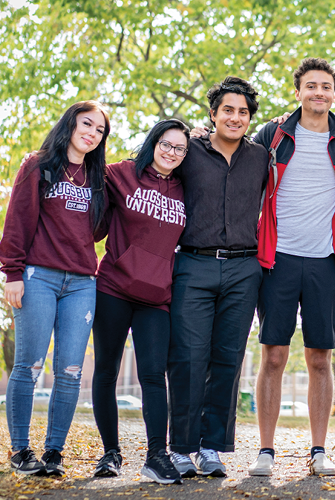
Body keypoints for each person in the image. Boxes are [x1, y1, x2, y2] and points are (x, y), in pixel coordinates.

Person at [246, 57, 335, 477]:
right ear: (298, 91)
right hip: (277, 258)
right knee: (274, 355)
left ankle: (319, 449)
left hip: (327, 261)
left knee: (320, 357)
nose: (319, 93)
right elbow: (237, 150)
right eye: (311, 86)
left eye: (326, 87)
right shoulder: (275, 133)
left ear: (333, 92)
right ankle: (266, 450)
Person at [0, 100, 110, 476]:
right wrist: (12, 272)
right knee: (29, 365)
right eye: (86, 123)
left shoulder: (98, 179)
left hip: (81, 283)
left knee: (71, 371)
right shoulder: (39, 165)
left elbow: (95, 230)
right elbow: (17, 220)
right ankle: (20, 451)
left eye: (99, 130)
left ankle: (54, 453)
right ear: (70, 124)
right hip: (38, 277)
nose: (92, 133)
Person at [166, 77, 267, 478]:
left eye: (243, 112)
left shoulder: (261, 155)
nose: (235, 117)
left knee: (228, 360)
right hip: (194, 263)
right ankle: (180, 448)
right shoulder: (188, 150)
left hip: (244, 268)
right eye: (228, 109)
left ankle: (211, 448)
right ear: (213, 114)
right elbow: (148, 168)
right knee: (189, 358)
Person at [90, 119, 190, 484]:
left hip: (157, 297)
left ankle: (155, 456)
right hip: (113, 288)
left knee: (153, 375)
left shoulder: (185, 188)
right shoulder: (121, 174)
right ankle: (110, 453)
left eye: (180, 148)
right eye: (166, 144)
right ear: (153, 142)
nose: (171, 153)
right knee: (106, 372)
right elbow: (81, 164)